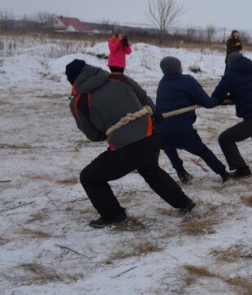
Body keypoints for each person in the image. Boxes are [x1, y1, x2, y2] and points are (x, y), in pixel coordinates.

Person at [66, 59, 194, 228]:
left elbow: (94, 135)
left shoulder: (78, 102)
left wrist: (111, 129)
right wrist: (154, 114)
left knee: (89, 177)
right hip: (151, 137)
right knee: (151, 170)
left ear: (73, 81)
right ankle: (184, 203)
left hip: (126, 150)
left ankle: (113, 215)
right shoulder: (119, 78)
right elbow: (144, 98)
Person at [156, 57, 232, 184]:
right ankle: (223, 173)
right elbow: (206, 102)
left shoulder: (162, 82)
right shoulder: (187, 81)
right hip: (182, 132)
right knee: (202, 151)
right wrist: (218, 100)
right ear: (177, 67)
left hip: (162, 131)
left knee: (168, 145)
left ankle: (181, 172)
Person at [211, 52, 252, 179]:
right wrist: (240, 97)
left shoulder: (230, 76)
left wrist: (231, 98)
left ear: (230, 63)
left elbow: (217, 95)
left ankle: (242, 170)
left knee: (225, 138)